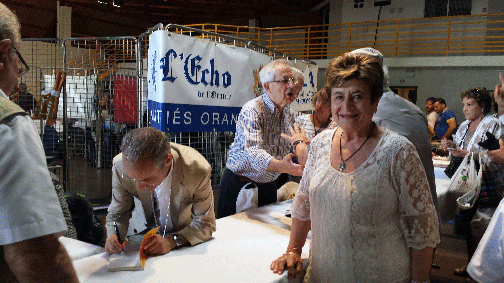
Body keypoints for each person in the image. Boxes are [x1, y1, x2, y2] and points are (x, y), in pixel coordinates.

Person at [270, 52, 440, 282]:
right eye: (338, 96)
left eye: (357, 96)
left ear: (375, 101)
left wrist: (420, 280)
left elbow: (423, 230)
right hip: (323, 276)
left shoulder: (397, 151)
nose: (346, 106)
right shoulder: (320, 144)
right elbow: (303, 205)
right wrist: (293, 250)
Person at [285, 47, 438, 211]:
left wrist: (300, 143)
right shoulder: (414, 110)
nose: (346, 104)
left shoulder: (361, 117)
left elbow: (331, 166)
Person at [0, 3, 79, 282]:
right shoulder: (8, 123)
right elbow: (35, 254)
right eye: (17, 61)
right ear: (3, 51)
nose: (17, 73)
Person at [105, 127, 216, 255]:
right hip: (141, 237)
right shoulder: (120, 166)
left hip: (184, 240)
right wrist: (114, 235)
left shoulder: (196, 170)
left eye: (146, 179)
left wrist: (173, 241)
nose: (138, 186)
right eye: (133, 179)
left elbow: (206, 224)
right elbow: (118, 213)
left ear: (168, 161)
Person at [217, 59, 304, 218]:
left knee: (265, 238)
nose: (292, 85)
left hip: (269, 185)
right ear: (267, 86)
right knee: (232, 235)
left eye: (292, 80)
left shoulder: (288, 113)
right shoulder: (253, 110)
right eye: (285, 80)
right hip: (242, 184)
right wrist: (281, 166)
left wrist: (302, 150)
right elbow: (254, 154)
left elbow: (296, 142)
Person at [441, 87, 503, 277]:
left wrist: (468, 154)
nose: (465, 109)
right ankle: (470, 266)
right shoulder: (463, 126)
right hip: (467, 181)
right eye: (463, 105)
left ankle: (487, 271)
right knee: (468, 224)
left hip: (487, 182)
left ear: (482, 106)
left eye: (470, 105)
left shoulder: (493, 124)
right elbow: (461, 150)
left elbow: (497, 156)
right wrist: (451, 147)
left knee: (484, 227)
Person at [467, 198, 504, 282]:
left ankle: (478, 265)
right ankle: (474, 262)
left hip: (492, 202)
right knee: (474, 231)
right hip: (480, 202)